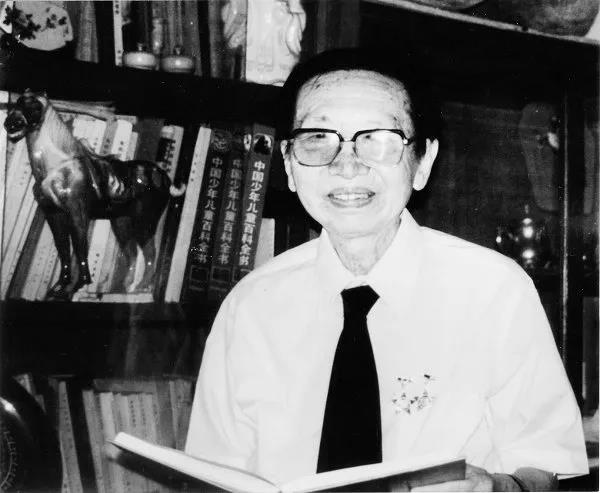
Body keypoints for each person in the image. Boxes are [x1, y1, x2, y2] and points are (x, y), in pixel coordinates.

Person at [185, 48, 588, 491]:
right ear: (289, 164)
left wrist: (496, 487)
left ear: (423, 162)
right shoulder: (250, 307)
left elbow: (542, 462)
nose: (347, 166)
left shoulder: (494, 290)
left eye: (378, 139)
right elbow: (213, 475)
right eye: (318, 138)